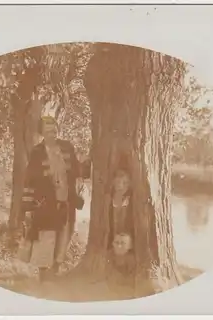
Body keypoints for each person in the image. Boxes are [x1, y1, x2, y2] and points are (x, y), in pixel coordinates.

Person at [21, 115, 91, 281]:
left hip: (66, 201)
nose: (51, 131)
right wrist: (28, 207)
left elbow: (77, 170)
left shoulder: (67, 147)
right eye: (47, 128)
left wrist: (88, 161)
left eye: (53, 127)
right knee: (46, 238)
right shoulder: (37, 152)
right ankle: (44, 278)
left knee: (63, 236)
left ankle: (56, 272)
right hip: (45, 203)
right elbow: (30, 180)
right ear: (41, 132)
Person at [107, 169, 134, 248]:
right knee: (116, 223)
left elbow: (128, 187)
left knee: (123, 222)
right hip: (117, 201)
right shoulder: (116, 182)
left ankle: (124, 244)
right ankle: (116, 242)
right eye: (117, 182)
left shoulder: (126, 181)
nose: (119, 184)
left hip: (123, 201)